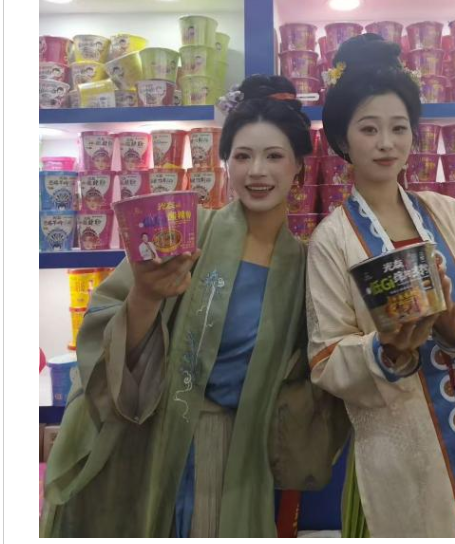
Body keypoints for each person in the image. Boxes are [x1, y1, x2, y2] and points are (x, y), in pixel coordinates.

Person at [42, 75, 348, 538]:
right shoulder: (182, 232)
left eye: (273, 156)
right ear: (226, 164)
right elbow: (103, 337)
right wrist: (145, 297)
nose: (257, 171)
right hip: (152, 440)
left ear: (299, 169)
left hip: (239, 455)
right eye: (242, 156)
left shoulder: (306, 266)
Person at [306, 34, 455, 538]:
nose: (386, 143)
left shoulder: (446, 212)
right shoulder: (331, 239)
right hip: (398, 445)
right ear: (343, 139)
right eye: (369, 128)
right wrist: (386, 348)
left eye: (399, 127)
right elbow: (325, 356)